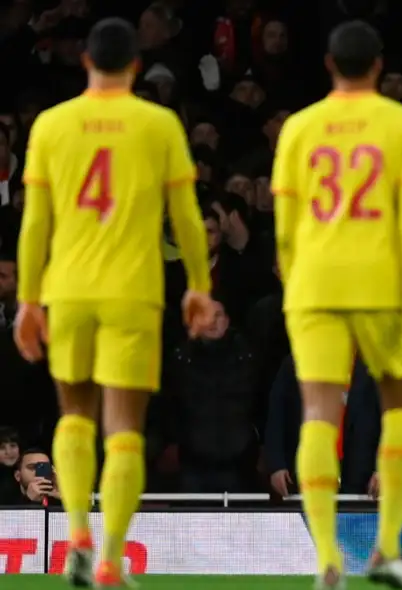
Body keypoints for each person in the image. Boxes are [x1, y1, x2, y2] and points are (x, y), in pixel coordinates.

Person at [13, 17, 216, 588]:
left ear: (85, 62)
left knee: (73, 415)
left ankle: (76, 535)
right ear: (134, 65)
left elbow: (35, 224)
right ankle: (107, 563)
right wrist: (199, 284)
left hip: (68, 291)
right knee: (125, 428)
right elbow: (187, 216)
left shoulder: (52, 125)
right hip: (133, 293)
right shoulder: (157, 123)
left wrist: (29, 300)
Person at [270, 20, 402, 590]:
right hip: (382, 284)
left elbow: (286, 227)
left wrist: (296, 287)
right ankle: (387, 552)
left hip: (313, 285)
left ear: (327, 64)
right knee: (401, 411)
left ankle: (326, 563)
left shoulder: (298, 127)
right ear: (380, 65)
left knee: (318, 414)